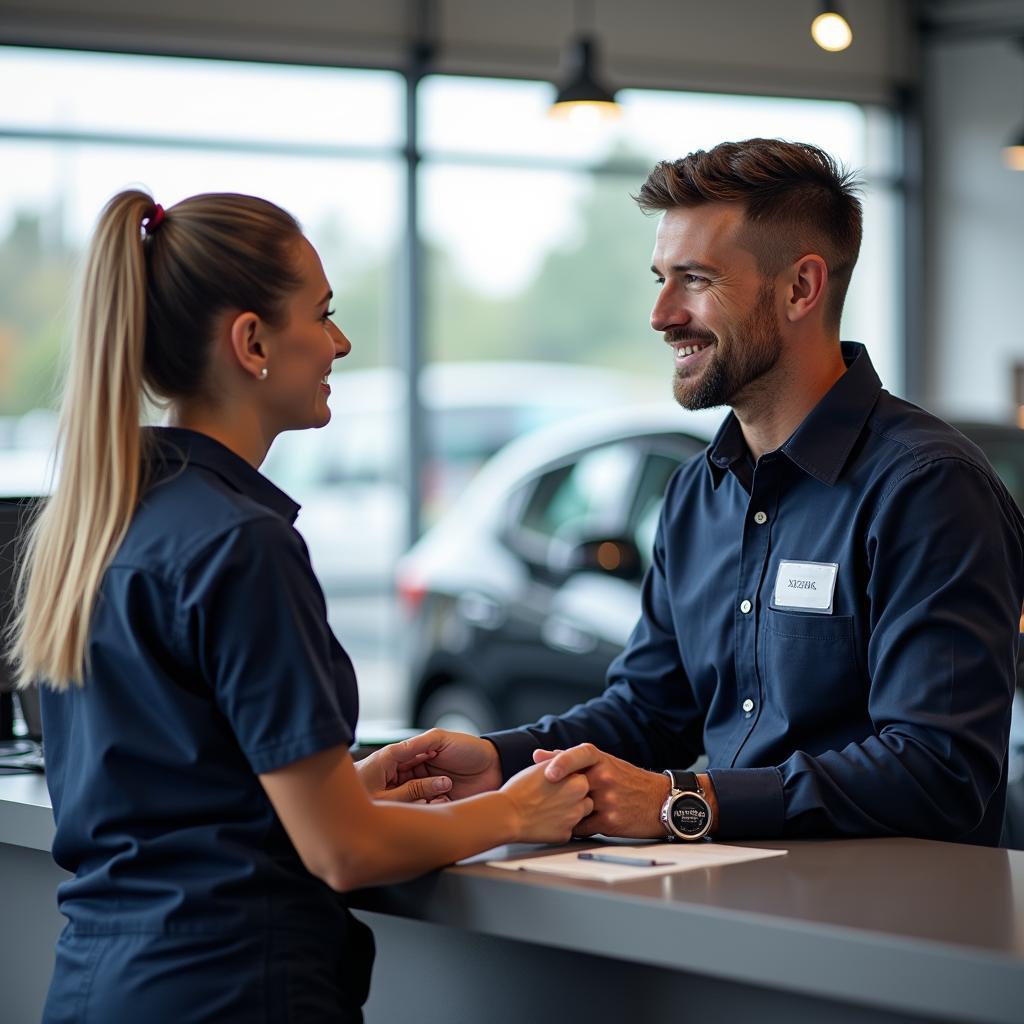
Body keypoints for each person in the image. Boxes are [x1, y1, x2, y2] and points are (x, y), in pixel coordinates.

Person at [11, 190, 591, 1023]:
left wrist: (344, 787)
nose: (340, 342)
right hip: (231, 995)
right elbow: (345, 852)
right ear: (251, 342)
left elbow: (168, 802)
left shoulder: (97, 523)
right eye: (322, 315)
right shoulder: (241, 544)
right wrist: (515, 810)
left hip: (101, 990)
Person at [397, 138, 1024, 848]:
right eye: (660, 279)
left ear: (800, 288)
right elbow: (651, 710)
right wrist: (501, 758)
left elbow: (939, 772)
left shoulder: (927, 489)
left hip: (895, 935)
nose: (662, 314)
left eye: (694, 279)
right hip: (730, 915)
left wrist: (683, 802)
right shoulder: (698, 492)